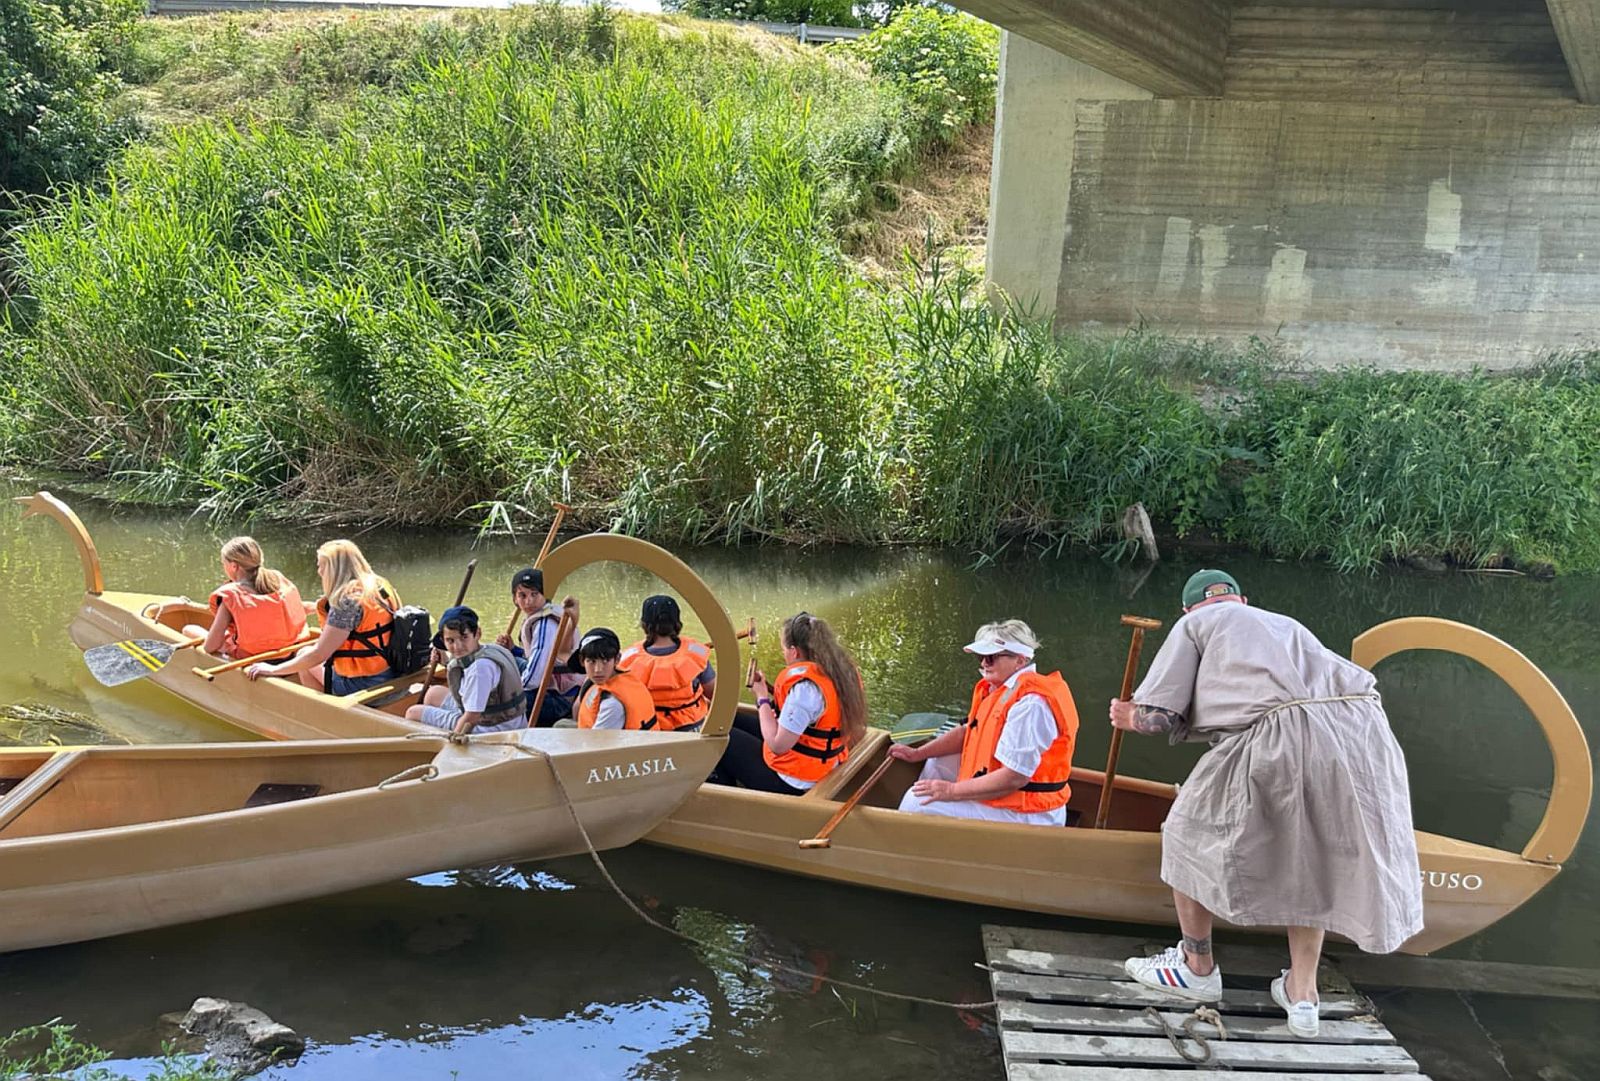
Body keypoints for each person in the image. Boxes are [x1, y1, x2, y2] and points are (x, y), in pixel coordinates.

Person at [1113, 569, 1423, 1040]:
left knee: (1184, 835)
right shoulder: (1283, 623)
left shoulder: (1197, 623)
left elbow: (1159, 717)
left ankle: (1197, 970)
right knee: (1315, 852)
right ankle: (1303, 995)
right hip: (1362, 737)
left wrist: (1128, 715)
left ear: (1188, 608)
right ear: (1244, 598)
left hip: (1284, 735)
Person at [888, 619, 1078, 825]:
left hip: (1030, 812)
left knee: (916, 802)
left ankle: (908, 845)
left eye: (992, 657)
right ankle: (934, 831)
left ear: (1020, 660)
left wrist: (951, 791)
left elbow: (1015, 777)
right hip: (1008, 793)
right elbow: (968, 731)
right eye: (982, 657)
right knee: (937, 761)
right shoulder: (1001, 688)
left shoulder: (1031, 705)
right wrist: (918, 753)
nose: (984, 663)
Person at [709, 612, 866, 794]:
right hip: (823, 760)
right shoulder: (842, 673)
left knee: (716, 737)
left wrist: (761, 698)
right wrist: (767, 692)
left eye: (783, 649)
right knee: (729, 720)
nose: (783, 654)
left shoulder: (806, 690)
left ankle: (727, 798)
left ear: (794, 651)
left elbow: (778, 745)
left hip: (794, 780)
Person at [243, 539, 398, 695]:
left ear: (332, 569)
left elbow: (319, 654)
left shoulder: (348, 602)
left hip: (362, 684)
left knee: (304, 656)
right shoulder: (378, 586)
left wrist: (273, 669)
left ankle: (323, 711)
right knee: (307, 654)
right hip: (392, 671)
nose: (319, 571)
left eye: (320, 565)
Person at [406, 606, 526, 737]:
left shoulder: (480, 668)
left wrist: (453, 742)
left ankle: (439, 748)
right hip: (508, 720)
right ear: (443, 640)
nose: (457, 647)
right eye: (450, 640)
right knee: (433, 693)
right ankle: (432, 740)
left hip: (491, 729)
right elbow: (468, 674)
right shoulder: (492, 649)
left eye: (464, 637)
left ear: (477, 633)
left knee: (413, 713)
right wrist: (446, 662)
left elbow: (471, 718)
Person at [182, 537, 308, 661]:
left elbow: (210, 647)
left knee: (189, 629)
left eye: (223, 563)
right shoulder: (277, 580)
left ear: (233, 566)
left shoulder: (231, 595)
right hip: (289, 653)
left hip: (252, 659)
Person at [494, 567, 580, 726]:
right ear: (515, 599)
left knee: (504, 699)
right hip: (550, 685)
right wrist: (514, 650)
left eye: (535, 594)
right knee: (502, 657)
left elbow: (535, 677)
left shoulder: (544, 623)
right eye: (522, 595)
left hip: (560, 699)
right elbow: (536, 657)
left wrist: (507, 693)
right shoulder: (536, 617)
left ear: (545, 595)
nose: (529, 601)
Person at [620, 595, 716, 732]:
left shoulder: (627, 659)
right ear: (677, 623)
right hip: (693, 729)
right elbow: (714, 694)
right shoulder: (696, 654)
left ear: (645, 625)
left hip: (649, 730)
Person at [567, 628, 658, 730]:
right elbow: (576, 711)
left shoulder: (612, 704)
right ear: (582, 661)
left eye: (605, 661)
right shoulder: (596, 679)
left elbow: (598, 743)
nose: (598, 670)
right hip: (592, 733)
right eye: (591, 661)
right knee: (560, 724)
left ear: (617, 659)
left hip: (604, 742)